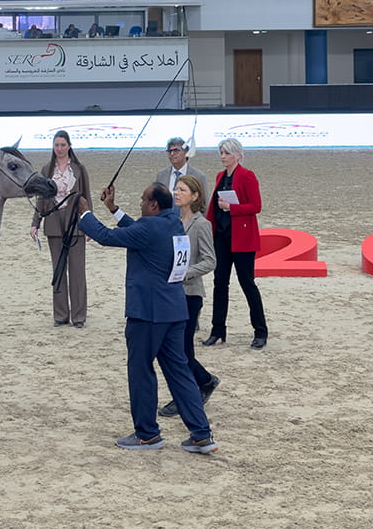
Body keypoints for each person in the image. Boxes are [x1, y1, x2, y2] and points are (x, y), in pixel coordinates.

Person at [76, 183, 217, 454]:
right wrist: (114, 210)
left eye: (143, 200)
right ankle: (201, 434)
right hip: (174, 311)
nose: (140, 204)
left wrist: (85, 214)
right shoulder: (172, 223)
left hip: (148, 314)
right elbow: (137, 231)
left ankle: (147, 434)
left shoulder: (150, 228)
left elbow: (107, 237)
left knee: (140, 370)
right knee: (179, 372)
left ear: (153, 206)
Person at [158, 175, 219, 418]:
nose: (176, 192)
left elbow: (209, 260)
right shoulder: (172, 221)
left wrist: (185, 273)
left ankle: (191, 390)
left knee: (181, 350)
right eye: (176, 188)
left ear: (195, 196)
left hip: (190, 294)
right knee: (176, 349)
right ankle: (202, 382)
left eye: (182, 189)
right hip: (170, 293)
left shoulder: (201, 225)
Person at [206, 138, 267, 349]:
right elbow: (213, 208)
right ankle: (217, 329)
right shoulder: (220, 176)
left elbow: (256, 206)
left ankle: (260, 331)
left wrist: (232, 207)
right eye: (221, 152)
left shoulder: (247, 176)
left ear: (238, 155)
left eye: (227, 153)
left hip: (242, 239)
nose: (223, 156)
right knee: (219, 283)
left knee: (247, 283)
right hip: (222, 238)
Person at [28, 130, 92, 328]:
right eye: (57, 145)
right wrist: (35, 223)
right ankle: (61, 314)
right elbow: (41, 198)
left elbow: (86, 197)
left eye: (63, 145)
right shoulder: (47, 170)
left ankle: (79, 316)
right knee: (58, 269)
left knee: (77, 270)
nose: (60, 148)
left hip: (76, 223)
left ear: (69, 146)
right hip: (54, 222)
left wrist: (90, 225)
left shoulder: (80, 169)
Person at [153, 137, 210, 201]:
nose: (172, 154)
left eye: (176, 150)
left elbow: (205, 202)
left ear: (186, 152)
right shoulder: (161, 175)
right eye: (169, 151)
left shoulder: (198, 176)